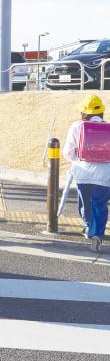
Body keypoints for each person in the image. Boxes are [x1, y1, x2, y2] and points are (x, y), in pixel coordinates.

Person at [63, 94, 110, 253]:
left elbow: (68, 153)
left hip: (82, 173)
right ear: (101, 112)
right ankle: (97, 235)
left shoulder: (77, 126)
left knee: (85, 202)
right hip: (104, 175)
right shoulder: (109, 127)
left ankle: (89, 226)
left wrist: (78, 158)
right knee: (100, 204)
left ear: (84, 112)